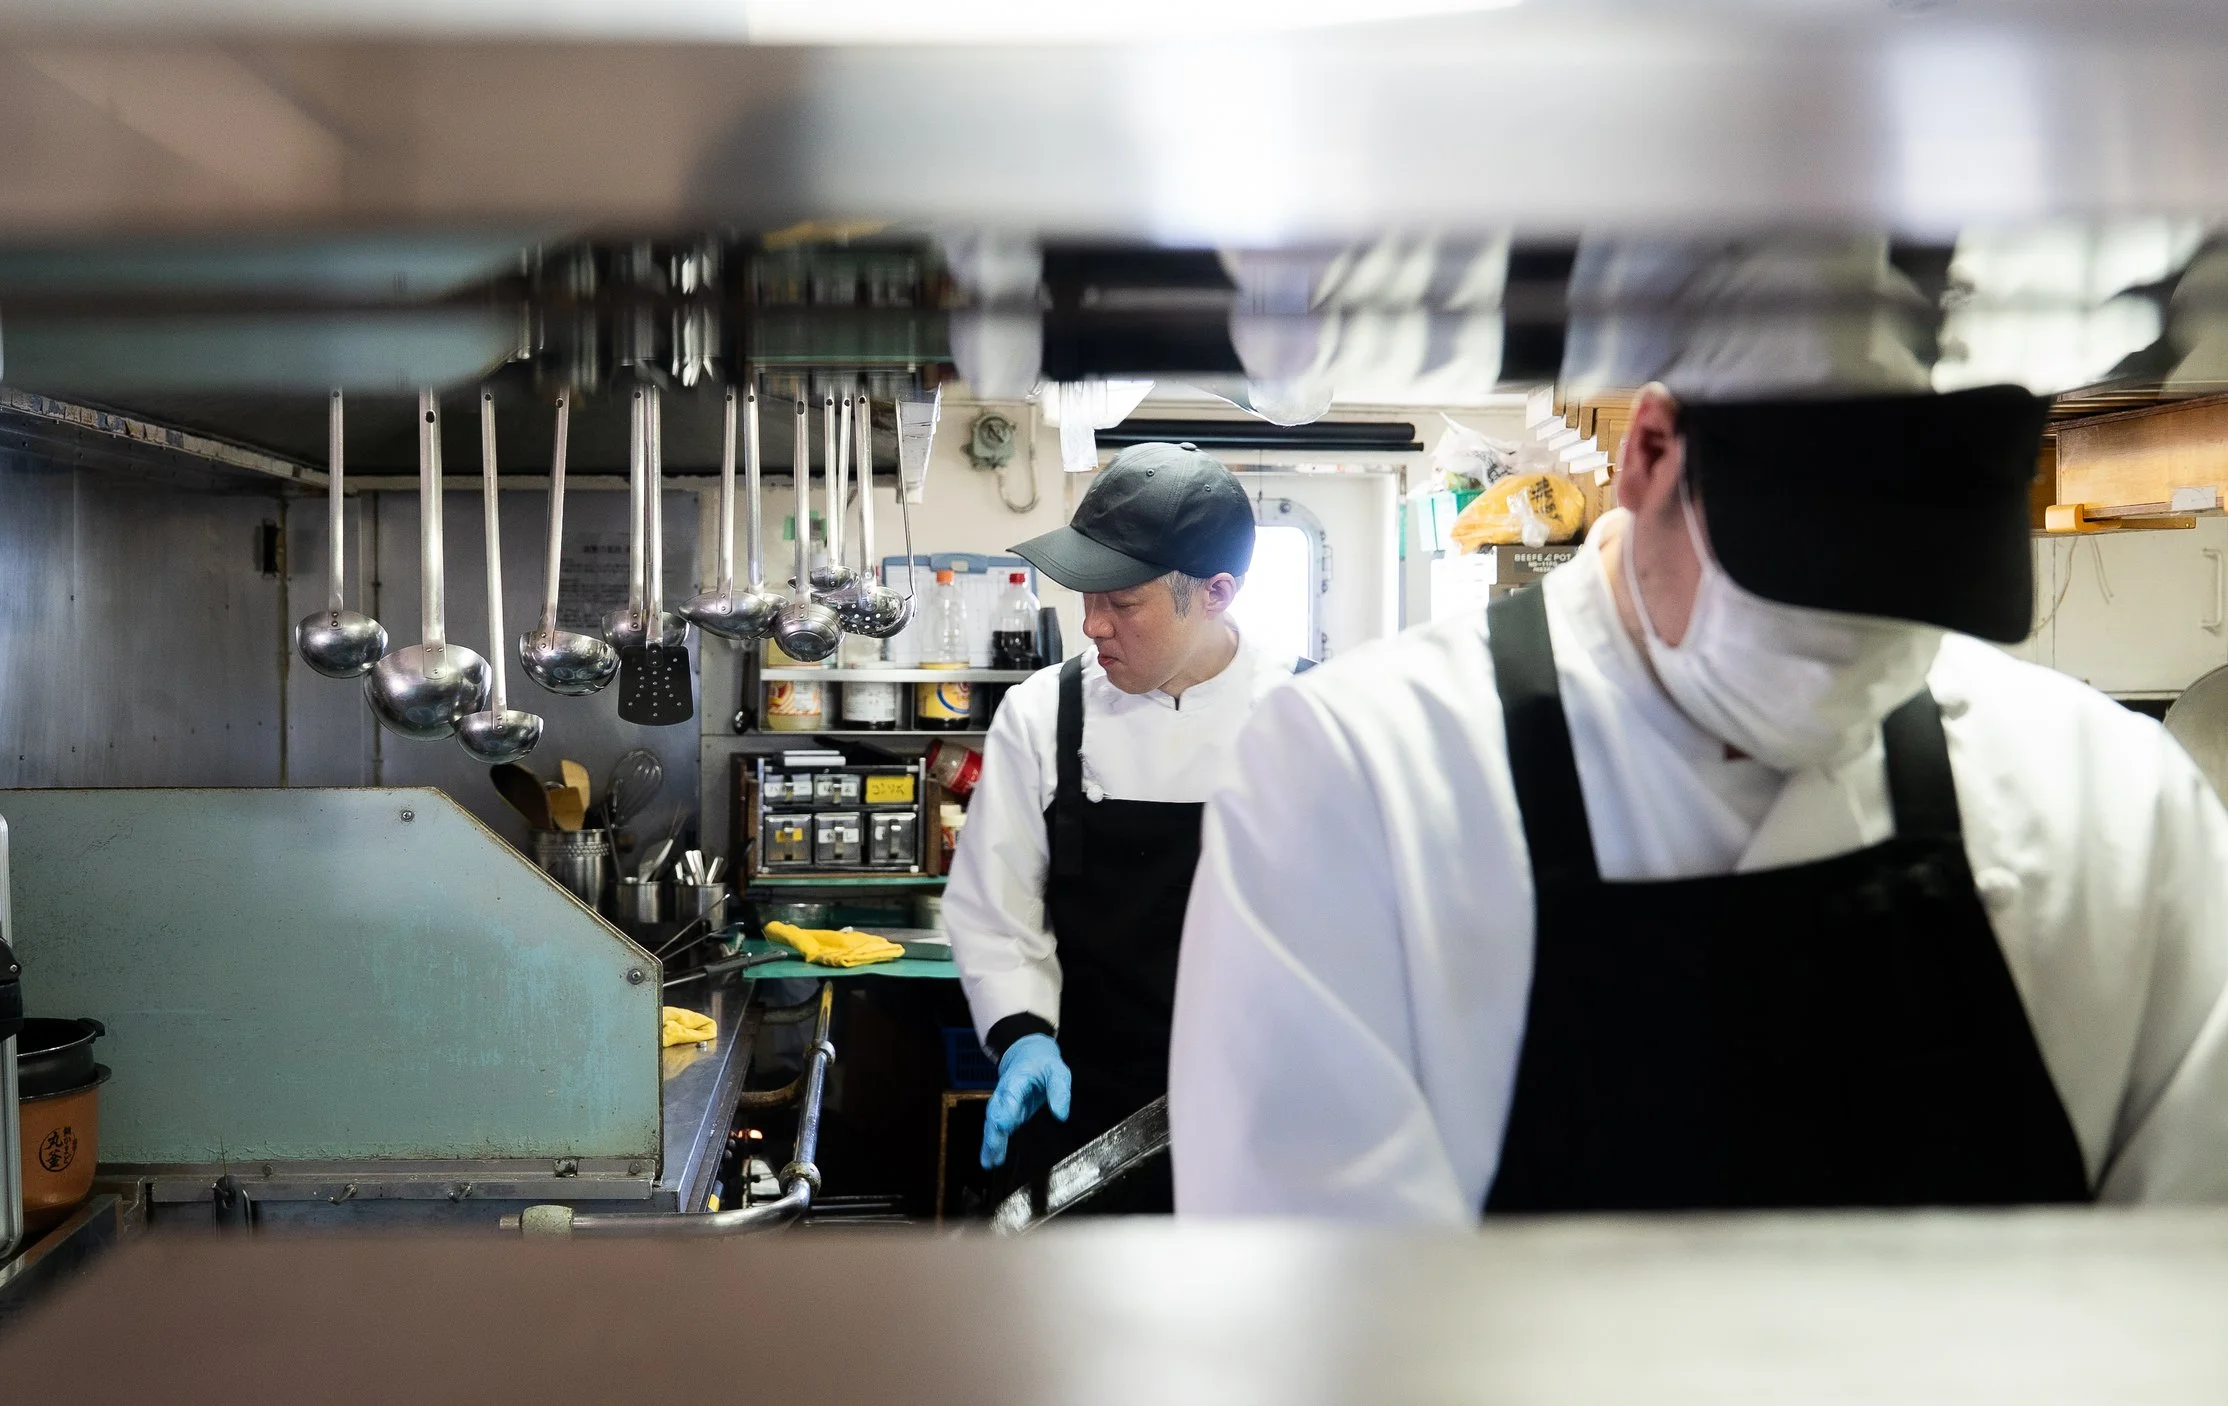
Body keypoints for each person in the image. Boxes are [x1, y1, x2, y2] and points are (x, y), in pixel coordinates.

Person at [1170, 241, 2228, 1219]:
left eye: (1915, 588)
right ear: (1650, 453)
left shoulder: (2120, 807)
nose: (1850, 642)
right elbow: (1322, 1311)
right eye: (1805, 575)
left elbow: (2189, 1272)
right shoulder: (1354, 781)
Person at [946, 441, 1299, 1214]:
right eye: (1086, 596)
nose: (1092, 624)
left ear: (1215, 593)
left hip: (1264, 1129)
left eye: (1122, 603)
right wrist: (1022, 1035)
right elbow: (992, 909)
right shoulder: (1045, 713)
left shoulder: (1308, 720)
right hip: (1082, 1116)